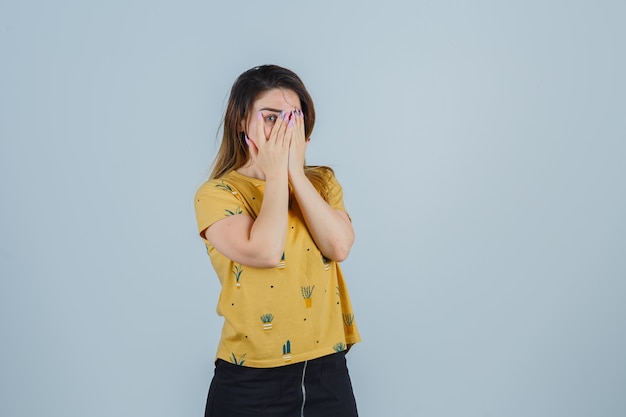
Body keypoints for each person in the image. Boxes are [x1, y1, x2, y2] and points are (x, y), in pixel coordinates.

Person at [194, 64, 361, 417]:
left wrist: (296, 175)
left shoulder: (322, 183)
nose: (283, 130)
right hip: (250, 379)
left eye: (293, 119)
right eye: (271, 118)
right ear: (242, 121)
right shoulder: (217, 194)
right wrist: (274, 176)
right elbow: (267, 251)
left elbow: (340, 246)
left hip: (326, 371)